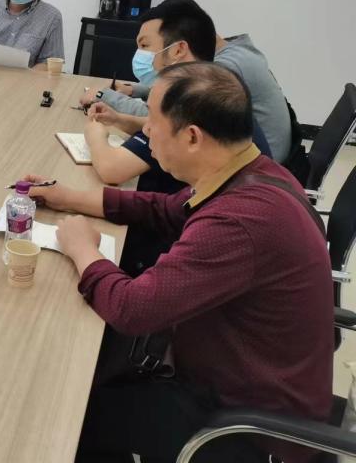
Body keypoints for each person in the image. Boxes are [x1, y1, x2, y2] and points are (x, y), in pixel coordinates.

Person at [24, 62, 332, 462]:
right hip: (226, 377)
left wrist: (82, 248)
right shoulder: (251, 172)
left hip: (246, 428)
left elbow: (132, 309)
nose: (146, 130)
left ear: (191, 137)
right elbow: (165, 208)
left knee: (67, 411)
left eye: (153, 120)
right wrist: (68, 197)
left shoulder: (242, 220)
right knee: (93, 370)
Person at [81, 0, 271, 195]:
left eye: (144, 46)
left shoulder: (191, 99)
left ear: (178, 50)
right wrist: (118, 119)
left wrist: (95, 134)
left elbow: (111, 169)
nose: (138, 55)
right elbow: (153, 127)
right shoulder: (214, 85)